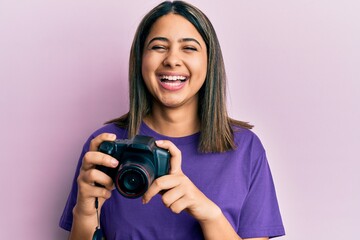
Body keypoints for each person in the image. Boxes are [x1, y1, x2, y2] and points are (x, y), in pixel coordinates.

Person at [59, 1, 285, 239]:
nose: (172, 60)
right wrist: (84, 212)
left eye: (189, 48)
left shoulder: (245, 149)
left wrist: (210, 214)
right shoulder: (106, 146)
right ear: (140, 60)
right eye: (158, 47)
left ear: (210, 62)